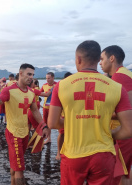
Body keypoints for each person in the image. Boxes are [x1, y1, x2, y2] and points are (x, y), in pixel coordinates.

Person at [48, 40, 132, 185]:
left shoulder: (62, 85)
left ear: (78, 59)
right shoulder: (117, 87)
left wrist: (76, 121)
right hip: (104, 155)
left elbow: (52, 122)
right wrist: (107, 133)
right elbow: (128, 129)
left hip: (73, 154)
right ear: (97, 59)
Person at [0, 63, 50, 185]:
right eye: (29, 74)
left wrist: (44, 125)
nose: (31, 77)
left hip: (25, 133)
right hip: (13, 133)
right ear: (20, 73)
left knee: (15, 166)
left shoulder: (31, 92)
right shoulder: (8, 90)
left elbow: (34, 110)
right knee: (20, 170)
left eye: (33, 75)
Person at [100, 45, 132, 185]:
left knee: (117, 174)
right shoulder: (126, 73)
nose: (100, 63)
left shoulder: (119, 77)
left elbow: (126, 111)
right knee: (125, 172)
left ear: (111, 58)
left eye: (102, 59)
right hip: (125, 132)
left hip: (122, 133)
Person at [55, 72, 72, 161]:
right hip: (63, 115)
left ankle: (69, 150)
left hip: (73, 116)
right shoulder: (61, 88)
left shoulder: (75, 88)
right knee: (62, 133)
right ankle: (58, 152)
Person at [40, 72, 57, 144]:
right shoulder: (44, 85)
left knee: (51, 123)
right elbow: (39, 93)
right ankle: (48, 138)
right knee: (45, 123)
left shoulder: (57, 85)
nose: (47, 80)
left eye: (49, 78)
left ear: (53, 78)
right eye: (46, 78)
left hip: (53, 108)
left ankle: (50, 138)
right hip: (45, 107)